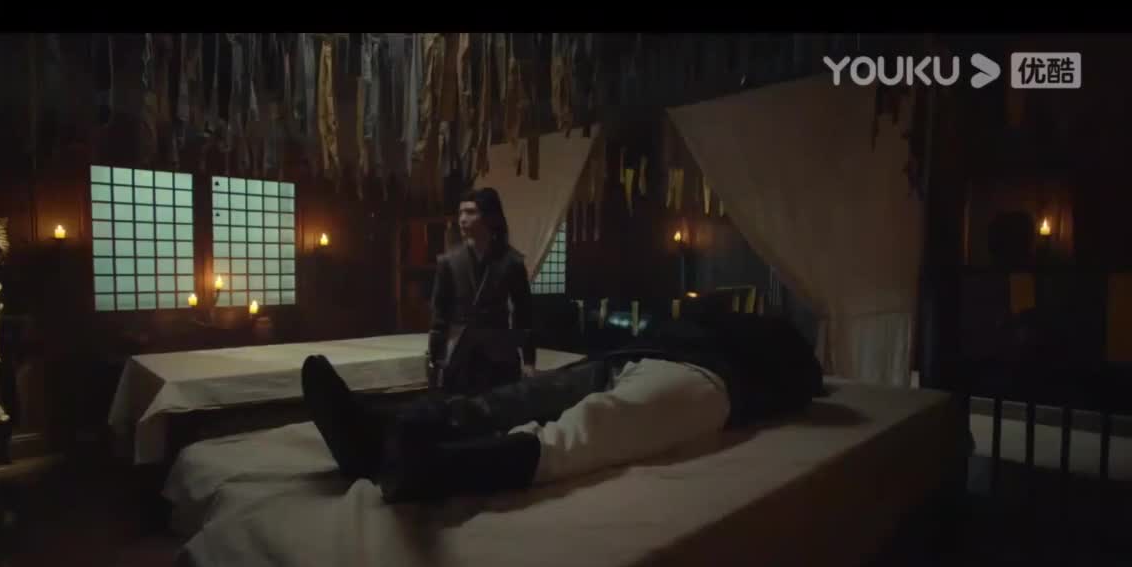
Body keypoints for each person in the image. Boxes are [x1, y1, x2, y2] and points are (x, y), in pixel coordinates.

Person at [301, 310, 825, 503]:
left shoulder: (766, 362)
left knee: (575, 439)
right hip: (637, 356)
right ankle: (374, 434)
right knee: (505, 401)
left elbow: (799, 380)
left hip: (699, 380)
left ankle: (430, 470)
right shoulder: (734, 333)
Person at [428, 187, 535, 395]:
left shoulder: (511, 261)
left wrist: (529, 360)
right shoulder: (448, 262)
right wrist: (436, 360)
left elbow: (524, 313)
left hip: (500, 354)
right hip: (460, 355)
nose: (462, 219)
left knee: (501, 409)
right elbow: (439, 315)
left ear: (490, 216)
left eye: (470, 212)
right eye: (460, 212)